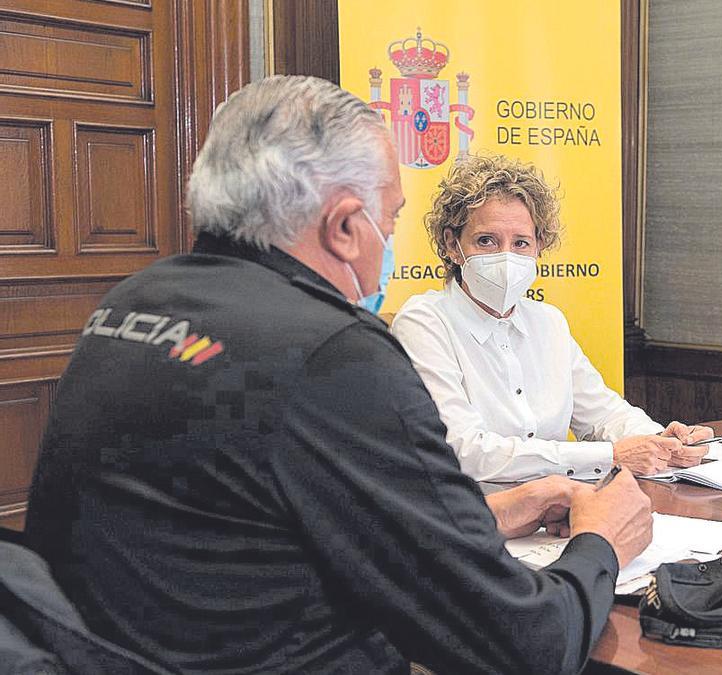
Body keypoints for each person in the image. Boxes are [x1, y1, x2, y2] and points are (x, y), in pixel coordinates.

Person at [23, 75, 653, 674]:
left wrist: (501, 510)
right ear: (348, 226)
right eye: (393, 217)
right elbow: (529, 644)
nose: (390, 239)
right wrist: (601, 544)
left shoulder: (131, 303)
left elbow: (270, 519)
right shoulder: (335, 354)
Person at [390, 155, 713, 482]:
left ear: (539, 247)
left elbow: (603, 413)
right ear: (452, 244)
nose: (506, 257)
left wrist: (659, 440)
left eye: (521, 243)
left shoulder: (548, 322)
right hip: (476, 518)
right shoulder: (424, 323)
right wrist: (610, 456)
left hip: (558, 507)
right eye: (486, 241)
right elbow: (464, 450)